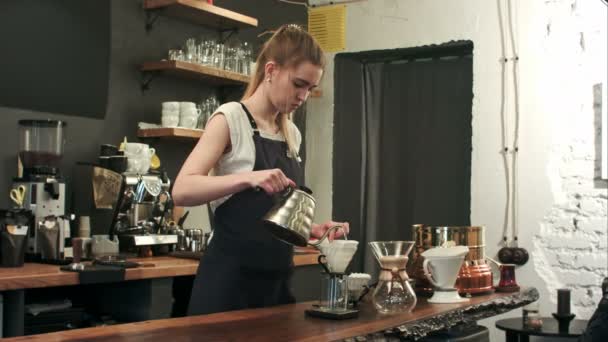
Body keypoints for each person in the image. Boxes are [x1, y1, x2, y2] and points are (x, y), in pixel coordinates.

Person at [172, 24, 350, 316]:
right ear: (271, 71)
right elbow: (182, 190)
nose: (303, 96)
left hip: (276, 284)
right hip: (229, 285)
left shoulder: (291, 133)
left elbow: (274, 216)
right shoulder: (230, 118)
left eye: (310, 88)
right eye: (298, 84)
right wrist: (247, 177)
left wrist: (310, 229)